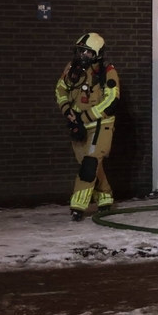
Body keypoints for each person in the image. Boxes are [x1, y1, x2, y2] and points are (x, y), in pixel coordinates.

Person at [55, 32, 120, 221]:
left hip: (100, 125)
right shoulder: (71, 69)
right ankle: (105, 196)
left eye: (87, 53)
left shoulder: (107, 71)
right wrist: (67, 110)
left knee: (90, 164)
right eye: (80, 51)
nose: (82, 56)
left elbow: (111, 101)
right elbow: (60, 89)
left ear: (97, 54)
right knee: (89, 164)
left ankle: (78, 206)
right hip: (78, 124)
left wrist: (84, 116)